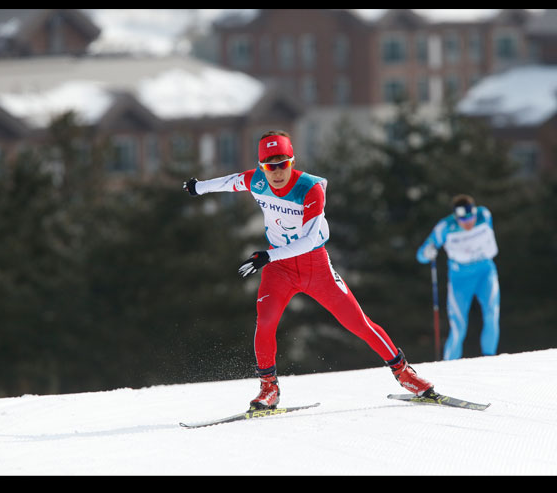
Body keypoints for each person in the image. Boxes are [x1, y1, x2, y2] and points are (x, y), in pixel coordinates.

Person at [183, 130, 434, 410]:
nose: (277, 172)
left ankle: (405, 374)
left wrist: (267, 255)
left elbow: (310, 240)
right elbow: (232, 183)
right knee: (265, 323)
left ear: (292, 161)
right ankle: (269, 388)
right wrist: (199, 187)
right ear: (261, 166)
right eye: (270, 166)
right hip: (279, 270)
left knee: (358, 322)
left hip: (315, 267)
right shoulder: (256, 180)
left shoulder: (310, 188)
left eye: (283, 164)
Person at [416, 194, 500, 360]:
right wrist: (428, 253)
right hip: (460, 279)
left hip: (485, 271)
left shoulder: (485, 216)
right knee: (458, 325)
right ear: (456, 218)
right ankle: (450, 362)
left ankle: (490, 357)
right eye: (463, 220)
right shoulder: (445, 227)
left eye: (471, 218)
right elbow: (421, 254)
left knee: (492, 313)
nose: (468, 223)